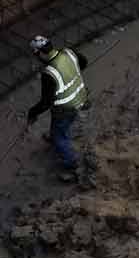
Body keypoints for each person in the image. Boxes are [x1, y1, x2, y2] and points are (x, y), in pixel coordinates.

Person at [25, 35, 90, 180]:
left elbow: (46, 103)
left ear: (39, 53)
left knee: (59, 136)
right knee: (60, 126)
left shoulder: (49, 73)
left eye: (36, 55)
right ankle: (57, 135)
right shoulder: (68, 52)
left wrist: (32, 113)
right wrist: (72, 75)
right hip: (81, 97)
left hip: (66, 108)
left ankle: (72, 164)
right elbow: (84, 62)